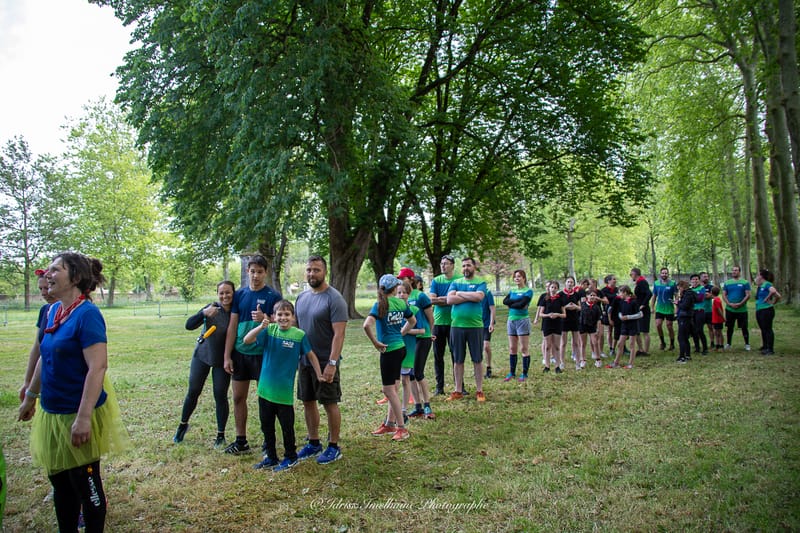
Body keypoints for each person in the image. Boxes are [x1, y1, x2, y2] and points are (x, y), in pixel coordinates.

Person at [18, 252, 128, 532]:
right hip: (52, 414)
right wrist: (31, 396)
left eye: (56, 269)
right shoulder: (54, 311)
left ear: (75, 278)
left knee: (86, 483)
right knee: (61, 485)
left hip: (77, 413)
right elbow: (44, 355)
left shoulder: (88, 315)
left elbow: (97, 368)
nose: (47, 275)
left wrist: (83, 418)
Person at [244, 300, 323, 471]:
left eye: (287, 314)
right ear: (273, 317)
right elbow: (247, 340)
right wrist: (261, 326)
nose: (283, 317)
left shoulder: (299, 335)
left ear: (293, 318)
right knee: (267, 426)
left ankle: (290, 456)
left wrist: (319, 374)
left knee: (287, 427)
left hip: (284, 394)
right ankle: (271, 457)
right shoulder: (269, 331)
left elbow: (310, 355)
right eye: (279, 314)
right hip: (265, 391)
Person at [222, 255, 282, 455]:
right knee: (238, 397)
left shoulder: (273, 296)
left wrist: (265, 318)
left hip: (262, 354)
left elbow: (282, 323)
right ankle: (241, 440)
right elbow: (232, 326)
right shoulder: (240, 295)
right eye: (252, 271)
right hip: (240, 353)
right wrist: (227, 355)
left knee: (265, 398)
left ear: (266, 273)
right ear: (248, 272)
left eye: (260, 272)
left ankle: (268, 442)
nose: (255, 276)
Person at [295, 255, 348, 464]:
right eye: (309, 270)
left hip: (326, 361)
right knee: (307, 401)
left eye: (316, 270)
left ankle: (334, 446)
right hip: (305, 361)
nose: (312, 274)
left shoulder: (334, 298)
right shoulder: (301, 298)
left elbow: (339, 334)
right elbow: (297, 330)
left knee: (329, 402)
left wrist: (332, 364)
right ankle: (314, 442)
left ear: (324, 271)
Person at [173, 281, 234, 448]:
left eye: (228, 293)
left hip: (222, 360)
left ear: (233, 293)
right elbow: (189, 325)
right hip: (202, 355)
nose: (224, 296)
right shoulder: (211, 308)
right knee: (193, 391)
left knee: (220, 394)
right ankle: (182, 425)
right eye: (221, 293)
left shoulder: (235, 313)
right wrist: (203, 313)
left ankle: (220, 435)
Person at [363, 274, 415, 440]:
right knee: (394, 388)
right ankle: (389, 424)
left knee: (388, 390)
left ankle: (402, 428)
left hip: (389, 352)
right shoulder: (401, 303)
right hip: (401, 348)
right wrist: (401, 333)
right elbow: (412, 321)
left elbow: (366, 325)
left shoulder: (379, 304)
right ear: (395, 289)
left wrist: (376, 343)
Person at [445, 258, 488, 401]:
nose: (465, 268)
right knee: (458, 360)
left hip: (475, 326)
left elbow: (479, 297)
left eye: (468, 265)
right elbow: (449, 300)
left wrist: (459, 294)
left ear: (474, 267)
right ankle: (458, 390)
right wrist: (469, 296)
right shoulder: (456, 282)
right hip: (457, 326)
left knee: (477, 359)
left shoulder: (480, 282)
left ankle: (479, 390)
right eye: (463, 266)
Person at [19, 269, 57, 402]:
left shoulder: (74, 312)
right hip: (46, 377)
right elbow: (38, 347)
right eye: (40, 289)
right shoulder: (45, 310)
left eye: (47, 288)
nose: (43, 293)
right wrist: (28, 382)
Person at [405, 275, 436, 420]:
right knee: (410, 373)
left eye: (403, 277)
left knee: (418, 372)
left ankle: (427, 405)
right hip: (409, 339)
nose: (400, 280)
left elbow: (430, 317)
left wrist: (430, 333)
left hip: (423, 338)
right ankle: (417, 407)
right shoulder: (401, 298)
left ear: (411, 280)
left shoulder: (421, 296)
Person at [429, 254, 458, 395]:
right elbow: (432, 300)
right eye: (442, 263)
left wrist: (444, 299)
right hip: (438, 322)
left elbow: (460, 299)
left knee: (456, 356)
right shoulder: (436, 281)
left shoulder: (459, 280)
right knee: (438, 356)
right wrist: (449, 299)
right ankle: (439, 387)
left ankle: (459, 386)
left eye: (446, 263)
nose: (443, 266)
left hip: (455, 322)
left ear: (452, 265)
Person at [503, 269, 533, 381]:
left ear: (524, 278)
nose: (517, 278)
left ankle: (524, 373)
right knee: (512, 348)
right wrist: (516, 303)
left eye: (519, 276)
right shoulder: (512, 291)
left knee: (524, 348)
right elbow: (505, 301)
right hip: (511, 320)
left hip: (522, 321)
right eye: (515, 276)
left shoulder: (528, 291)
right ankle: (512, 372)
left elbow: (522, 304)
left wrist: (512, 303)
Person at [606, 284, 640, 369]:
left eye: (620, 293)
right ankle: (616, 362)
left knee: (632, 344)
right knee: (620, 344)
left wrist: (628, 317)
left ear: (625, 292)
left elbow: (640, 314)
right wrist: (621, 316)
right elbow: (620, 312)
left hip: (633, 325)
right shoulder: (621, 302)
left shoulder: (633, 302)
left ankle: (630, 364)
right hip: (624, 325)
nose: (619, 295)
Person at [722, 265, 752, 350]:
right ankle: (728, 343)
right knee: (729, 327)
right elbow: (724, 295)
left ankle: (747, 344)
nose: (734, 272)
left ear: (739, 272)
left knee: (744, 327)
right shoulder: (727, 283)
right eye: (733, 270)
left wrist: (740, 303)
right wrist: (729, 304)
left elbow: (748, 295)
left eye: (736, 270)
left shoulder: (745, 282)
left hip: (742, 309)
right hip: (730, 309)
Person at [540, 281, 566, 373]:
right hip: (547, 324)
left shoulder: (560, 299)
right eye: (552, 287)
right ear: (549, 288)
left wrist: (557, 314)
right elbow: (541, 314)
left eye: (555, 287)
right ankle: (547, 366)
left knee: (556, 346)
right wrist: (548, 315)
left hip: (557, 324)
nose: (553, 289)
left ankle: (557, 366)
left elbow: (564, 314)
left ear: (557, 289)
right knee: (547, 346)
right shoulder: (545, 299)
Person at [559, 276, 583, 370]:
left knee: (576, 343)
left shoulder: (576, 294)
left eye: (571, 282)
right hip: (564, 320)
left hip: (574, 320)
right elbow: (559, 307)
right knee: (563, 343)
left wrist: (575, 307)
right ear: (565, 283)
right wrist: (566, 307)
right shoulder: (560, 294)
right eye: (568, 282)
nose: (570, 284)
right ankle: (562, 363)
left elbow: (580, 307)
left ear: (574, 284)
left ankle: (578, 363)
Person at [754, 269, 781, 355]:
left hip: (766, 310)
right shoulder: (761, 286)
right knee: (763, 328)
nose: (756, 277)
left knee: (767, 329)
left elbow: (776, 293)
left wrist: (770, 301)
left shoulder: (767, 284)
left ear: (761, 276)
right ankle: (765, 346)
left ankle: (770, 348)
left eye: (757, 275)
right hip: (759, 309)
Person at [651, 267, 676, 351]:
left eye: (666, 273)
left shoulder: (672, 283)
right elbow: (654, 296)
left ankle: (672, 343)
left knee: (669, 326)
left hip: (669, 308)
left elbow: (676, 296)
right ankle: (662, 342)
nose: (664, 274)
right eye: (663, 273)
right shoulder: (656, 283)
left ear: (668, 274)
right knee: (658, 325)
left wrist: (677, 307)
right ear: (660, 274)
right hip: (659, 308)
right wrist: (652, 307)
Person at [630, 268, 652, 356]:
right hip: (638, 309)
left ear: (636, 274)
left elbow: (649, 294)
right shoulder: (639, 282)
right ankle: (641, 349)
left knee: (645, 331)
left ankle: (645, 351)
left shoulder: (642, 282)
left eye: (631, 274)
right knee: (637, 330)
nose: (631, 276)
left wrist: (643, 304)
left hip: (644, 310)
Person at [580, 290, 603, 368]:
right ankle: (583, 359)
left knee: (595, 342)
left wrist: (598, 329)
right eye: (591, 295)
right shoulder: (582, 305)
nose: (592, 297)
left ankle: (598, 359)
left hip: (592, 326)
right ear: (587, 296)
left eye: (594, 295)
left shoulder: (596, 307)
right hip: (583, 326)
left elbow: (599, 320)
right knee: (583, 343)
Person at [675, 280, 695, 363]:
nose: (679, 290)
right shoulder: (688, 294)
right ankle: (687, 355)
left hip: (685, 317)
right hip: (685, 317)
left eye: (679, 288)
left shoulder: (688, 294)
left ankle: (682, 356)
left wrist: (678, 303)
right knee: (685, 337)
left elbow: (685, 306)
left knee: (681, 337)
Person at [600, 275, 619, 357]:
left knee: (619, 330)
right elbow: (604, 302)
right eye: (614, 279)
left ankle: (622, 347)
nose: (615, 280)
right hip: (608, 312)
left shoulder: (617, 289)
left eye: (615, 279)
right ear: (608, 281)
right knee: (610, 330)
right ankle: (611, 348)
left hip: (618, 312)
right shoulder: (603, 291)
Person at [689, 274, 709, 355]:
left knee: (699, 330)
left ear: (699, 280)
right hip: (692, 311)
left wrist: (691, 298)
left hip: (700, 311)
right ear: (691, 281)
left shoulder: (702, 288)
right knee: (693, 331)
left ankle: (705, 348)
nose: (695, 281)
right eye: (693, 279)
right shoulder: (689, 289)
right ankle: (697, 347)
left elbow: (700, 299)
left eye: (696, 279)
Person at [481, 284, 496, 379]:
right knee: (478, 348)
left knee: (486, 346)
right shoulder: (472, 292)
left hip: (486, 324)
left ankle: (488, 367)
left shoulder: (487, 293)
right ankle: (479, 369)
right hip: (475, 324)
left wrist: (491, 323)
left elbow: (492, 308)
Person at [710, 286, 725, 350]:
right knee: (717, 332)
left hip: (717, 319)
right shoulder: (717, 299)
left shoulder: (716, 300)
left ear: (711, 292)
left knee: (718, 332)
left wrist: (723, 317)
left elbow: (719, 310)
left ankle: (720, 345)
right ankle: (718, 344)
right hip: (716, 319)